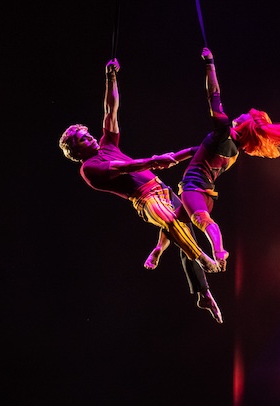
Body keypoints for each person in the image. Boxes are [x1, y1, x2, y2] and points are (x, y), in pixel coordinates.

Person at [58, 58, 223, 323]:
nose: (89, 137)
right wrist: (158, 159)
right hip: (145, 199)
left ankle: (175, 264)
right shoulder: (89, 168)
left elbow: (111, 110)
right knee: (171, 221)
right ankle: (203, 260)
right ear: (77, 150)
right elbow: (127, 167)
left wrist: (111, 77)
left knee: (186, 224)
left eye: (87, 134)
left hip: (162, 188)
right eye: (82, 139)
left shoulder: (106, 143)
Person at [144, 47, 280, 273]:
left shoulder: (224, 134)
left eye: (245, 116)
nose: (240, 114)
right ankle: (158, 250)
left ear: (245, 125)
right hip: (205, 194)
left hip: (194, 190)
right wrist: (174, 157)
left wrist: (209, 63)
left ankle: (220, 251)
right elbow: (198, 150)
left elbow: (213, 95)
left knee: (201, 222)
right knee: (173, 221)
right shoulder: (234, 150)